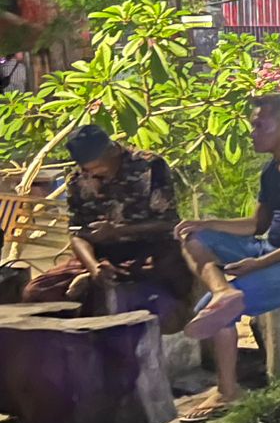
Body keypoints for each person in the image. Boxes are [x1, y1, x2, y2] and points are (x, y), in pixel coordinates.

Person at [176, 94, 280, 420]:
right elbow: (257, 225)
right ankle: (224, 291)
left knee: (211, 312)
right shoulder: (272, 171)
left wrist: (258, 265)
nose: (252, 133)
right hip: (269, 249)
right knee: (193, 237)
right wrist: (206, 223)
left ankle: (228, 392)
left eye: (259, 125)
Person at [20, 126, 191, 313]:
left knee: (168, 274)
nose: (94, 174)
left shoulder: (150, 166)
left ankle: (109, 283)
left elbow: (169, 223)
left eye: (99, 167)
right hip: (101, 256)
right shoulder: (78, 179)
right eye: (88, 169)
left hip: (149, 249)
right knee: (36, 291)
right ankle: (95, 279)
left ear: (113, 151)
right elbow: (77, 234)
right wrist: (94, 267)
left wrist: (118, 230)